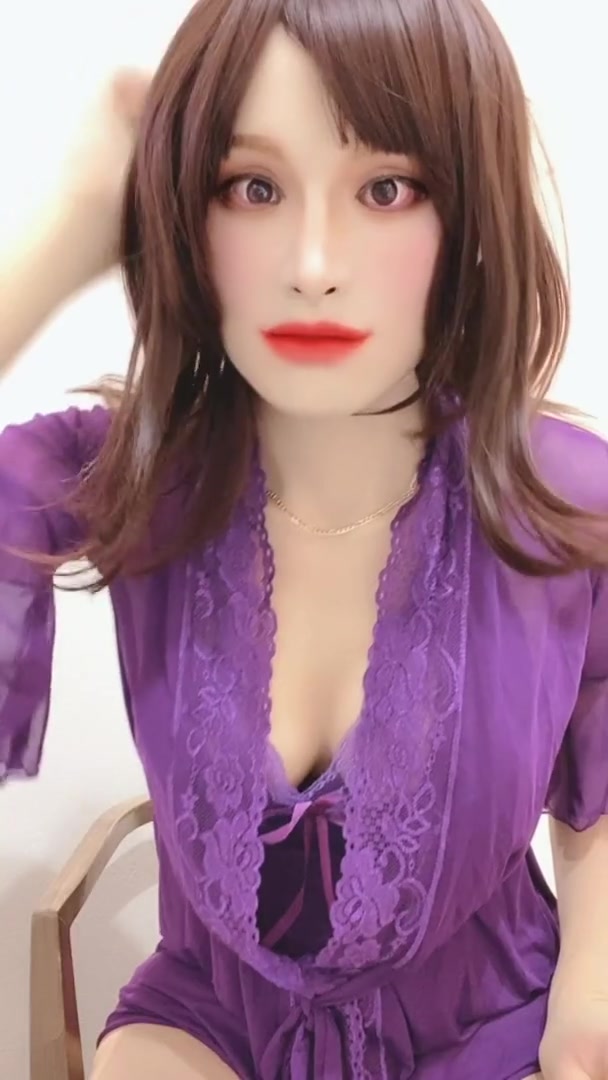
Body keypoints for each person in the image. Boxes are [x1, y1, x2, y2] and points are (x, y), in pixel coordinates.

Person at [1, 1, 607, 1078]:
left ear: (466, 213)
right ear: (184, 213)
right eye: (253, 187)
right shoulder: (128, 479)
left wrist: (583, 1021)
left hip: (488, 1029)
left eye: (387, 189)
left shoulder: (564, 506)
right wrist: (70, 227)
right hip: (207, 1027)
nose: (314, 264)